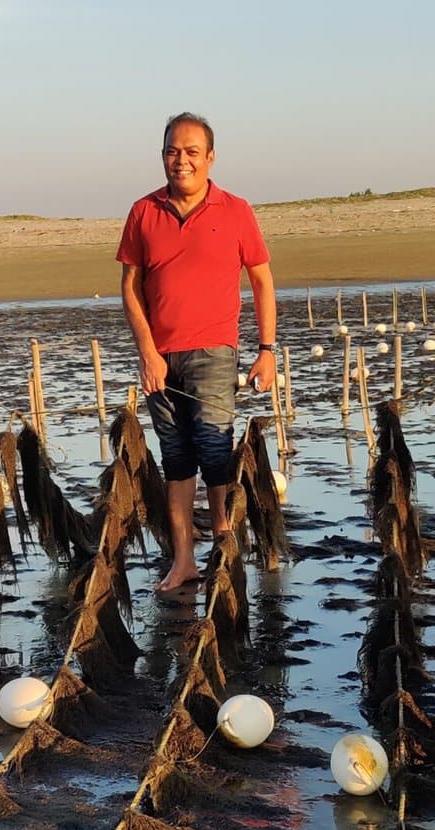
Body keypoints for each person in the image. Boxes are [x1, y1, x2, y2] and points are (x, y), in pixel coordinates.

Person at [117, 112, 278, 596]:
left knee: (214, 448)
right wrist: (147, 352)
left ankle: (224, 544)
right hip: (161, 357)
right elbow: (129, 287)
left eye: (191, 152)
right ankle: (184, 559)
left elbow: (262, 280)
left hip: (214, 349)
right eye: (172, 151)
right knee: (176, 457)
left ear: (209, 157)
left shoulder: (235, 209)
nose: (180, 161)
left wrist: (266, 350)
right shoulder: (143, 211)